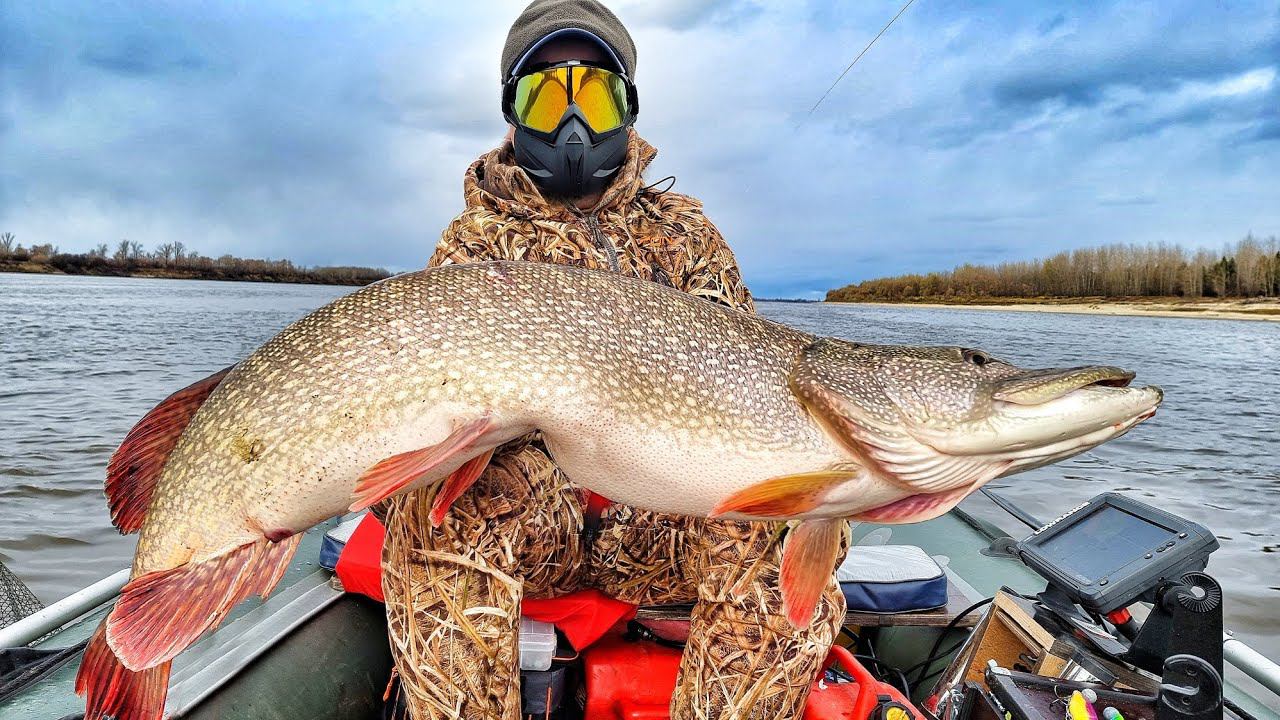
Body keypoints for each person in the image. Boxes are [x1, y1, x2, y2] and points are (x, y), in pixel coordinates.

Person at [378, 2, 848, 718]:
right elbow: (419, 417)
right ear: (513, 113)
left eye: (594, 92)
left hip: (670, 524)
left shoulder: (685, 234)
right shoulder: (473, 247)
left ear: (627, 107)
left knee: (789, 511)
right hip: (544, 528)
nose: (573, 120)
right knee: (435, 505)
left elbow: (753, 388)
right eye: (545, 94)